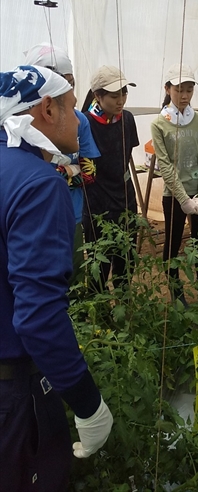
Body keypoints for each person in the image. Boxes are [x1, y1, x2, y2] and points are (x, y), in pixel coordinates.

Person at [0, 65, 113, 492]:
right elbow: (38, 317)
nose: (78, 120)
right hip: (13, 392)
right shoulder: (36, 184)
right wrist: (88, 405)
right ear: (47, 109)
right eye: (71, 108)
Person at [25, 43, 100, 286]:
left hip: (72, 213)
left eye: (70, 82)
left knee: (73, 272)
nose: (66, 90)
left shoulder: (79, 121)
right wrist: (67, 171)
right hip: (32, 215)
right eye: (59, 82)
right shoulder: (18, 126)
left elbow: (89, 172)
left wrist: (49, 174)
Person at [151, 64, 198, 307]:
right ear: (168, 89)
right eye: (179, 90)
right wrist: (183, 199)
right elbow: (165, 165)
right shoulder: (159, 124)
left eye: (189, 90)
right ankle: (176, 290)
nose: (185, 96)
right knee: (173, 242)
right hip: (175, 196)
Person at [82, 65, 139, 293]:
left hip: (125, 197)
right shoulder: (85, 123)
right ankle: (101, 314)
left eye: (124, 93)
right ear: (98, 96)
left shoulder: (127, 119)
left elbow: (124, 158)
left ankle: (125, 305)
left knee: (126, 258)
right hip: (97, 202)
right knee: (99, 262)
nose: (121, 100)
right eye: (115, 96)